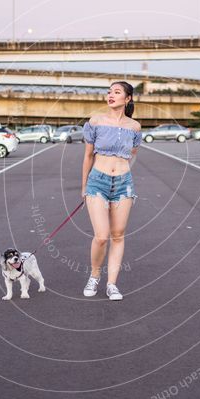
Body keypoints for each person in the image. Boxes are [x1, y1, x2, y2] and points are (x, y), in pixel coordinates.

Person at [81, 81, 142, 301]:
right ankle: (95, 275)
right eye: (109, 92)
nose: (110, 95)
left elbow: (132, 153)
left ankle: (112, 284)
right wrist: (84, 186)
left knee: (118, 235)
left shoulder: (134, 127)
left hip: (124, 183)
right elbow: (88, 156)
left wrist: (121, 170)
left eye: (116, 92)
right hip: (97, 181)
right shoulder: (95, 121)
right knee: (101, 236)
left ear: (127, 99)